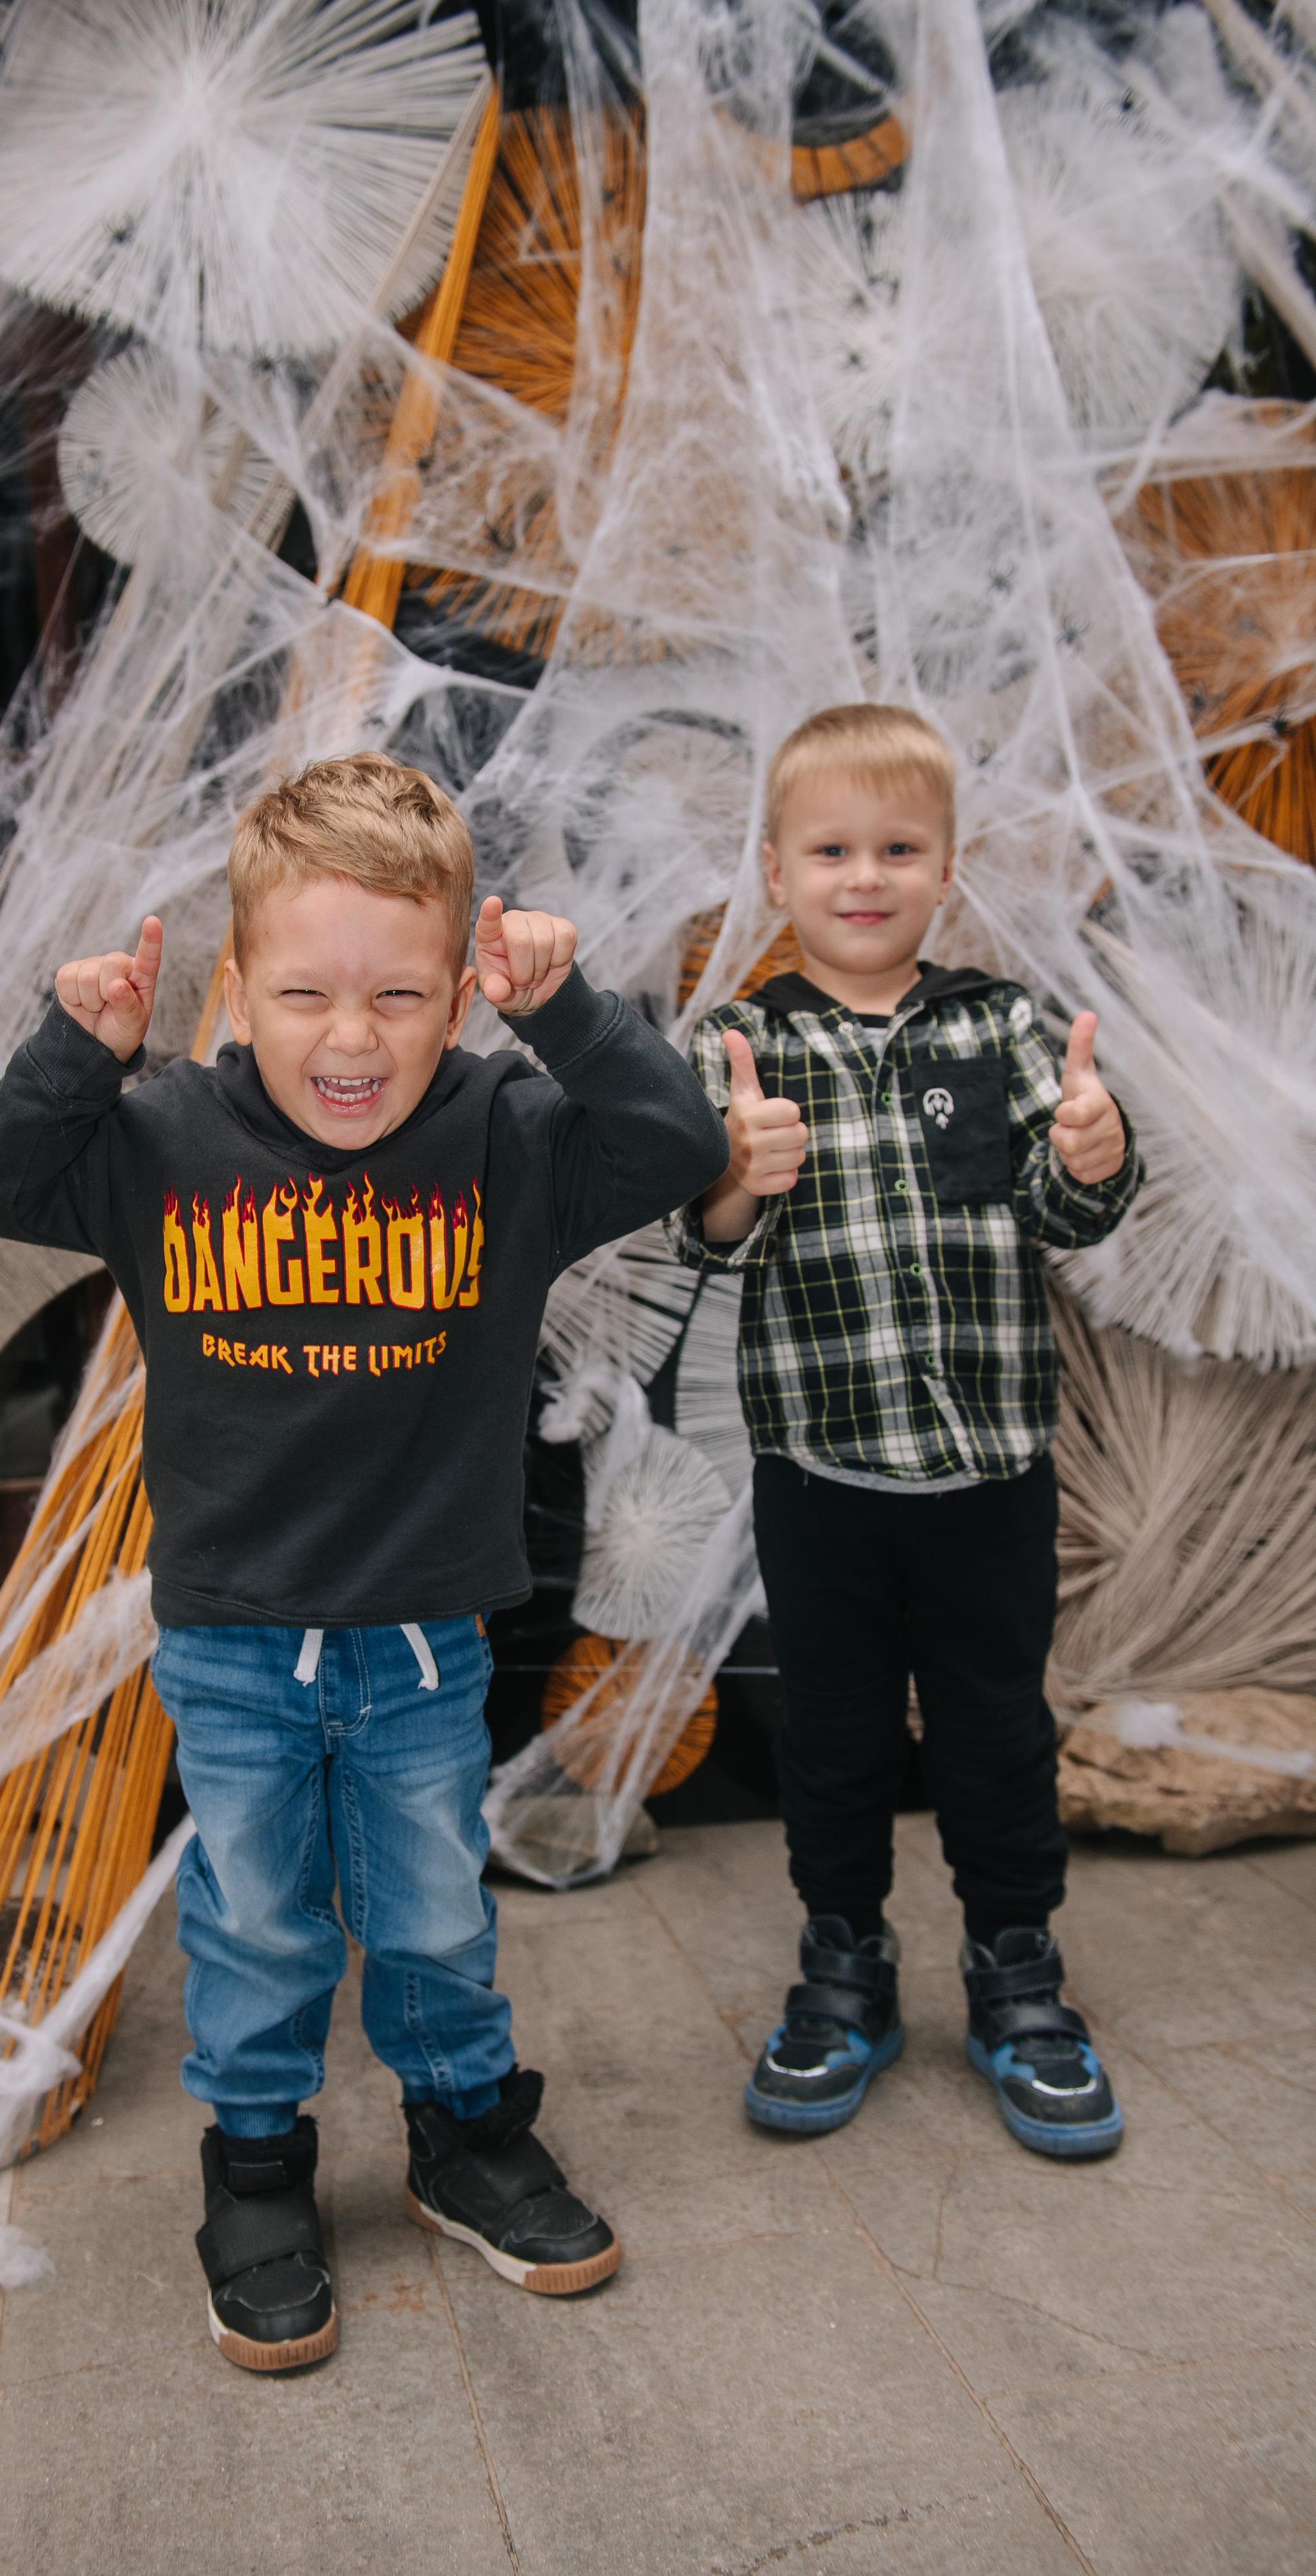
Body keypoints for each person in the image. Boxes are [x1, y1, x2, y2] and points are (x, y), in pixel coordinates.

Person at [0, 750, 728, 2368]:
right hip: (234, 1637)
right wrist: (72, 1051)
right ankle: (256, 2168)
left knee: (436, 1906)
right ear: (234, 986)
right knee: (255, 1920)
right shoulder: (161, 1137)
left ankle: (462, 2133)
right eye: (303, 993)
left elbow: (665, 1146)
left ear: (461, 995)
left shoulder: (505, 1134)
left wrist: (568, 1010)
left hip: (425, 1638)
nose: (352, 1036)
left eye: (400, 994)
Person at [670, 703, 1142, 2161]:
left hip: (988, 1469)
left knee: (996, 1726)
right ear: (773, 869)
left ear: (944, 867)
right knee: (836, 1730)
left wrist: (1089, 1155)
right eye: (828, 849)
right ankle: (842, 1962)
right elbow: (710, 1248)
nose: (860, 875)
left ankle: (1017, 1971)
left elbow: (1064, 1219)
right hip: (820, 1472)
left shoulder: (996, 1026)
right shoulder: (740, 1042)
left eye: (894, 848)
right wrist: (738, 1178)